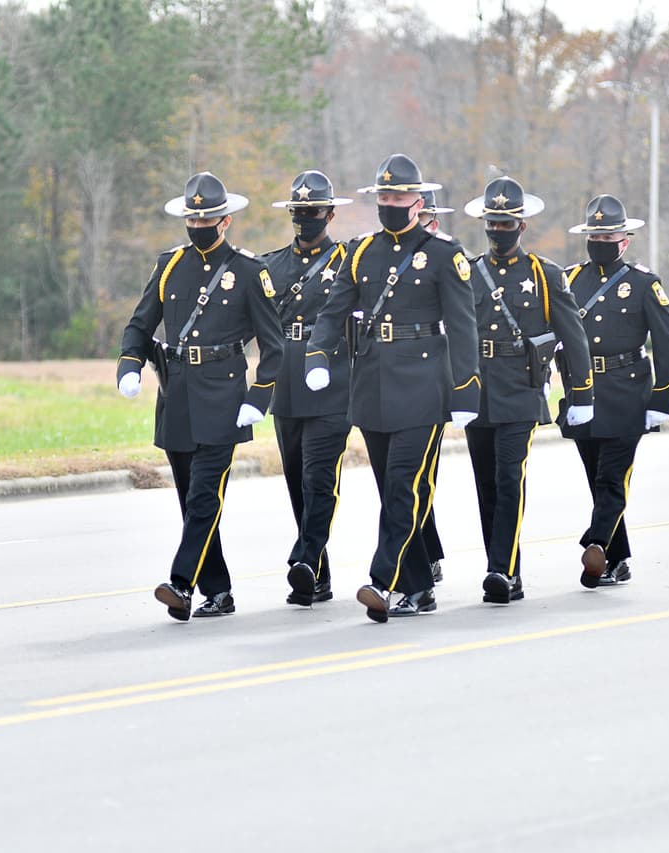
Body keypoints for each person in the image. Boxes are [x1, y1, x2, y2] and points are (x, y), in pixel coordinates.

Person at [304, 153, 480, 622]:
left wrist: (466, 390)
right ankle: (419, 588)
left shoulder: (445, 254)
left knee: (405, 485)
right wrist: (318, 354)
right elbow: (333, 311)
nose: (390, 204)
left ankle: (382, 580)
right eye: (383, 197)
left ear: (418, 201)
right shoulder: (363, 251)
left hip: (424, 383)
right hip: (373, 382)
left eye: (398, 197)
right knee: (392, 489)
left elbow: (463, 327)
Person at [116, 172, 285, 621]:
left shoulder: (250, 272)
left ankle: (180, 583)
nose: (199, 225)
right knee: (191, 498)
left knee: (204, 498)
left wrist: (259, 396)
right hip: (177, 394)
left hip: (224, 397)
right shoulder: (170, 264)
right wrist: (129, 362)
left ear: (225, 220)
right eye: (193, 218)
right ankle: (219, 590)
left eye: (207, 217)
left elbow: (274, 345)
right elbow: (141, 322)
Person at [461, 176, 596, 604]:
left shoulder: (545, 274)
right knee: (486, 483)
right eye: (492, 224)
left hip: (520, 387)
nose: (498, 231)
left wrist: (582, 393)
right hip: (478, 388)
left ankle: (500, 568)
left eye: (506, 224)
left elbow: (572, 337)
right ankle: (505, 568)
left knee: (508, 476)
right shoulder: (468, 273)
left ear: (522, 227)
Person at [559, 193, 669, 588]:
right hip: (585, 394)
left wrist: (661, 399)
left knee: (612, 478)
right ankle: (618, 559)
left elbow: (667, 344)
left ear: (624, 240)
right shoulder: (571, 280)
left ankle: (596, 545)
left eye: (609, 235)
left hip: (628, 392)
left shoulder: (644, 283)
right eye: (595, 234)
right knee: (597, 480)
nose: (601, 241)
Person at [260, 170, 352, 607]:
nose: (304, 219)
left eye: (312, 211)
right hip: (286, 385)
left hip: (332, 380)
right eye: (297, 211)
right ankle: (318, 574)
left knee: (319, 477)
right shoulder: (271, 264)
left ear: (330, 213)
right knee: (297, 480)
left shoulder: (348, 262)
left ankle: (305, 556)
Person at [415, 189, 455, 585]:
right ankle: (426, 551)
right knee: (407, 478)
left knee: (422, 475)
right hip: (394, 374)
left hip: (431, 372)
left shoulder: (442, 257)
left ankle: (426, 555)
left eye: (424, 216)